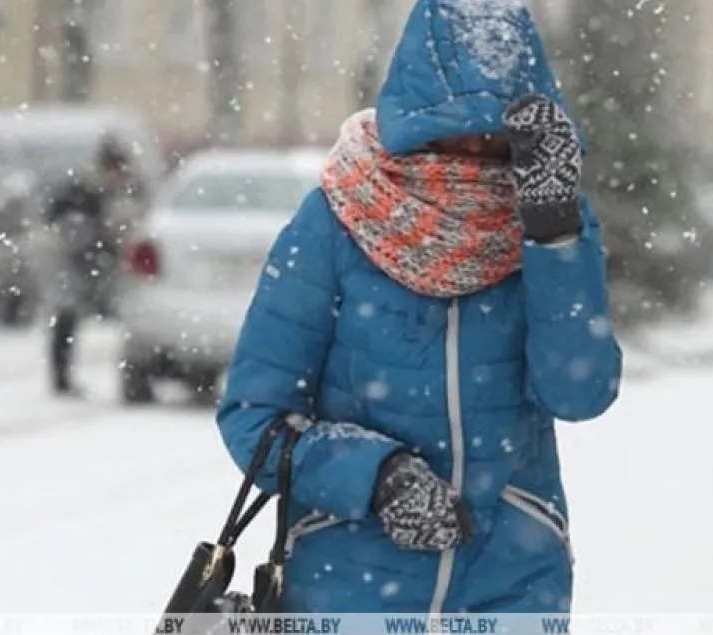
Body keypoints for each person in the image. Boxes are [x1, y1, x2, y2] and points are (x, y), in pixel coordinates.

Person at [216, 0, 622, 617]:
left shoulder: (548, 225)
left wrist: (554, 235)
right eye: (460, 124)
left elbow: (580, 392)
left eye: (497, 131)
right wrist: (375, 479)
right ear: (417, 116)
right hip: (348, 595)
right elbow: (256, 418)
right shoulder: (337, 220)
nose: (479, 148)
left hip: (511, 591)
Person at [44, 139, 140, 397]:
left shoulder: (102, 193)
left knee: (70, 318)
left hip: (88, 264)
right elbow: (69, 227)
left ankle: (62, 375)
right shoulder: (85, 192)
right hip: (74, 263)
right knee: (67, 317)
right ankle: (61, 376)